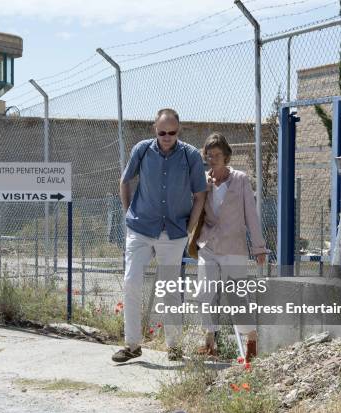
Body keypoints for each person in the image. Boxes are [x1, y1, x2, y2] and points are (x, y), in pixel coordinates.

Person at [112, 108, 207, 363]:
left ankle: (174, 346)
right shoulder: (142, 150)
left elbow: (200, 195)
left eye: (172, 132)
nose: (167, 137)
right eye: (162, 132)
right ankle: (132, 345)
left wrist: (189, 229)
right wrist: (127, 215)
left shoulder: (190, 156)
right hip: (140, 229)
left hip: (174, 233)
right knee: (131, 281)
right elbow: (125, 181)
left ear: (179, 130)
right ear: (155, 128)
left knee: (170, 290)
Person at [195, 133, 267, 362]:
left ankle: (252, 339)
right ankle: (209, 342)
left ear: (226, 156)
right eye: (209, 154)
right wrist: (201, 190)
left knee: (237, 298)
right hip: (208, 245)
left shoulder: (240, 180)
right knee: (205, 293)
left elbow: (251, 217)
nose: (213, 158)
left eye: (217, 155)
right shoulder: (202, 180)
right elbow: (195, 211)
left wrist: (259, 248)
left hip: (234, 248)